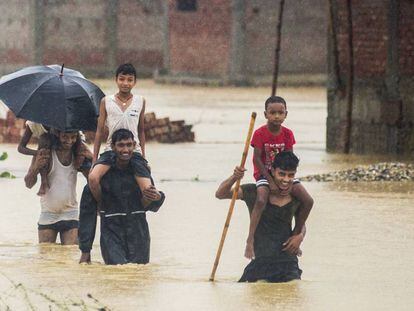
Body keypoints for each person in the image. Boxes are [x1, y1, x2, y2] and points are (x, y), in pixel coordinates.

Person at [215, 151, 312, 283]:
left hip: (288, 264)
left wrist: (300, 236)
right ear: (272, 171)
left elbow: (302, 222)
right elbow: (220, 194)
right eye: (281, 174)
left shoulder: (296, 197)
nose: (286, 180)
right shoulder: (254, 192)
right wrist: (234, 177)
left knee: (293, 293)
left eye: (291, 175)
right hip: (260, 262)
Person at [79, 129, 165, 265]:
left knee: (138, 274)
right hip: (112, 232)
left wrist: (158, 196)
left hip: (138, 232)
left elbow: (152, 205)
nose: (126, 149)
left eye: (129, 145)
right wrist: (85, 250)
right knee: (116, 272)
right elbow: (86, 214)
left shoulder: (140, 172)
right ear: (112, 147)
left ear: (134, 145)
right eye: (121, 145)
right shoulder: (101, 178)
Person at [245, 96, 313, 259]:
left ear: (286, 114)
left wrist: (288, 183)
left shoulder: (288, 134)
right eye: (273, 112)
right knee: (261, 199)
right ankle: (250, 240)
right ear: (266, 114)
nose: (276, 116)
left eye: (280, 113)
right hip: (264, 174)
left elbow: (289, 158)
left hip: (283, 174)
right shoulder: (260, 133)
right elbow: (257, 159)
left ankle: (296, 236)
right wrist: (269, 180)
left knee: (308, 200)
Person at [88, 63, 152, 206]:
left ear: (134, 82)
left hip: (133, 151)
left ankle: (138, 210)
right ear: (116, 80)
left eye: (130, 80)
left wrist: (143, 157)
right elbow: (99, 132)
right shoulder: (106, 101)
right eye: (122, 79)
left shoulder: (140, 101)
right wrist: (94, 160)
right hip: (111, 150)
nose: (125, 83)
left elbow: (141, 130)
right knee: (92, 178)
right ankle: (102, 206)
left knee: (148, 189)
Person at [24, 130, 91, 245]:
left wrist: (90, 158)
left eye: (73, 137)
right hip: (48, 214)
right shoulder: (45, 153)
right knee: (47, 259)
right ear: (58, 135)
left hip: (71, 213)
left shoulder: (78, 154)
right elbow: (28, 184)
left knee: (70, 257)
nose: (69, 141)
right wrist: (35, 167)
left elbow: (91, 179)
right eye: (65, 137)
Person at [18, 121, 91, 195]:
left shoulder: (61, 117)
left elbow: (77, 136)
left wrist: (80, 153)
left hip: (74, 137)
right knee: (44, 141)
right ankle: (44, 181)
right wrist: (37, 153)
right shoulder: (33, 123)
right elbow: (20, 147)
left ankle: (92, 191)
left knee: (83, 158)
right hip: (48, 143)